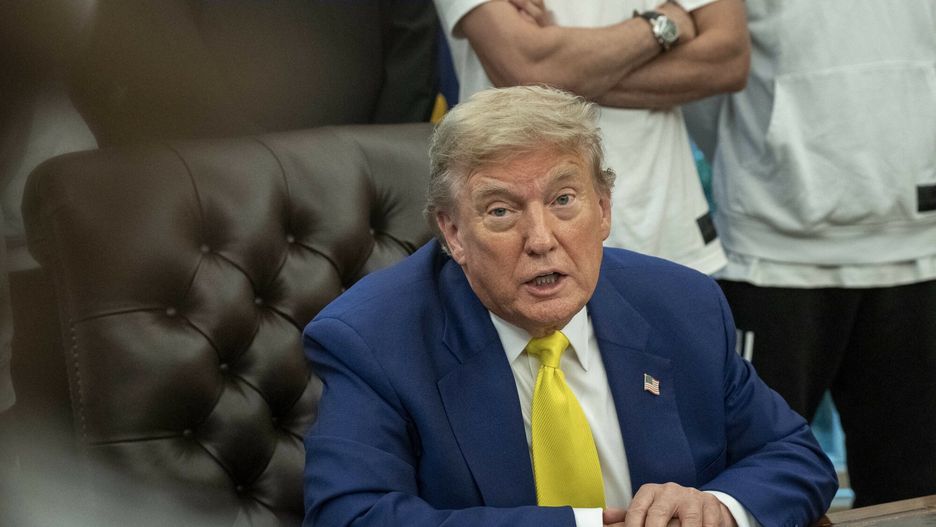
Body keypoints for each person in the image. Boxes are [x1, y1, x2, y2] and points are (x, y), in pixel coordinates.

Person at [303, 86, 837, 527]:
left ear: (603, 209)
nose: (541, 239)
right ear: (453, 232)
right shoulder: (373, 338)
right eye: (500, 211)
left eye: (563, 200)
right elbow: (351, 516)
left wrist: (718, 508)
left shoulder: (682, 304)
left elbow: (794, 456)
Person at [685, 0, 936, 508]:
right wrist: (764, 171)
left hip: (919, 251)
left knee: (914, 490)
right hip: (771, 256)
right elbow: (706, 80)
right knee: (754, 487)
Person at [431, 0, 750, 275]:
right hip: (527, 238)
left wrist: (564, 70)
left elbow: (727, 59)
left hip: (668, 228)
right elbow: (526, 65)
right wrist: (663, 24)